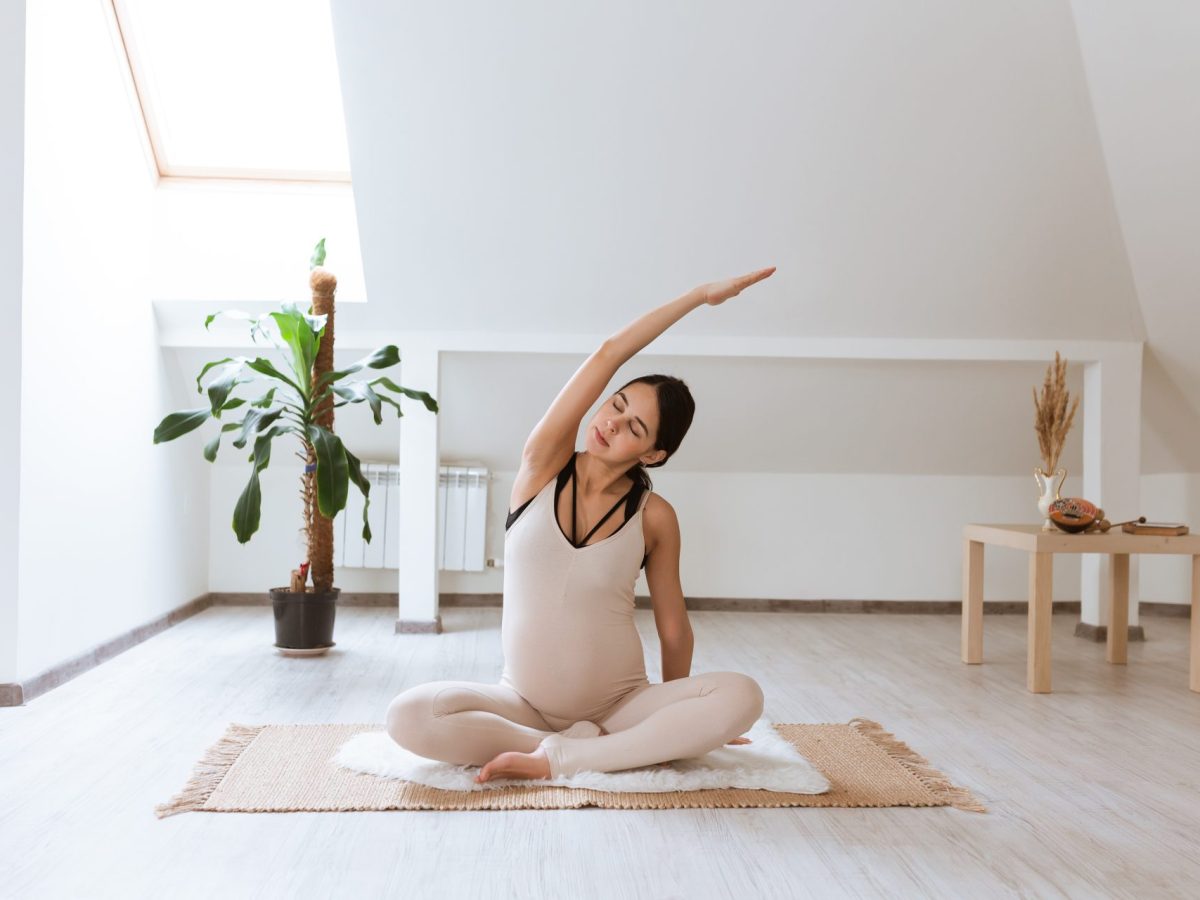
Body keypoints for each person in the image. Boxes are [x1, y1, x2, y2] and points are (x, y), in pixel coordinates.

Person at [385, 266, 777, 783]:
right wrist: (698, 297)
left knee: (742, 695)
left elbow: (674, 629)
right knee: (409, 715)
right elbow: (609, 353)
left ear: (655, 454)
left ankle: (569, 756)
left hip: (623, 704)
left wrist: (672, 711)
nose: (611, 423)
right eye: (616, 405)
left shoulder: (654, 517)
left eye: (634, 427)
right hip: (521, 703)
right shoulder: (542, 467)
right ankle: (599, 750)